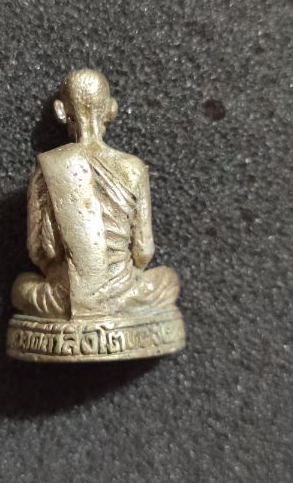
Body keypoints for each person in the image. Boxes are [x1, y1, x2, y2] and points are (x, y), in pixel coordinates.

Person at [11, 69, 179, 319]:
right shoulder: (133, 168)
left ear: (60, 111)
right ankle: (115, 310)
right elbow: (143, 252)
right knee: (168, 280)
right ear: (112, 109)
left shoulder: (48, 167)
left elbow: (39, 252)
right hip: (124, 295)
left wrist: (65, 274)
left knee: (21, 286)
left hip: (64, 299)